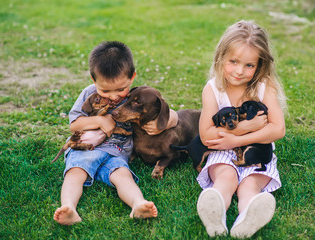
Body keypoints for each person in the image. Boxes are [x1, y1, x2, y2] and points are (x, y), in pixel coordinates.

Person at [53, 41, 178, 225]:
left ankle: (138, 204)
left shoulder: (137, 96)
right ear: (94, 80)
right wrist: (99, 120)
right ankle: (69, 207)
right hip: (87, 149)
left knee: (123, 176)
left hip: (117, 152)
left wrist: (166, 124)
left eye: (120, 89)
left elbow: (170, 113)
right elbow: (74, 125)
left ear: (132, 77)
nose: (113, 96)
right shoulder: (89, 93)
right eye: (105, 90)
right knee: (76, 171)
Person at [196, 20, 287, 238]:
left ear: (260, 65)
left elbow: (278, 129)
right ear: (221, 58)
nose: (239, 71)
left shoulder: (265, 86)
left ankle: (248, 216)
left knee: (250, 184)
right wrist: (241, 130)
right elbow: (206, 135)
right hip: (223, 151)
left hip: (257, 152)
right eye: (233, 61)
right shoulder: (213, 90)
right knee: (226, 177)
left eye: (249, 65)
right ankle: (214, 211)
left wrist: (235, 140)